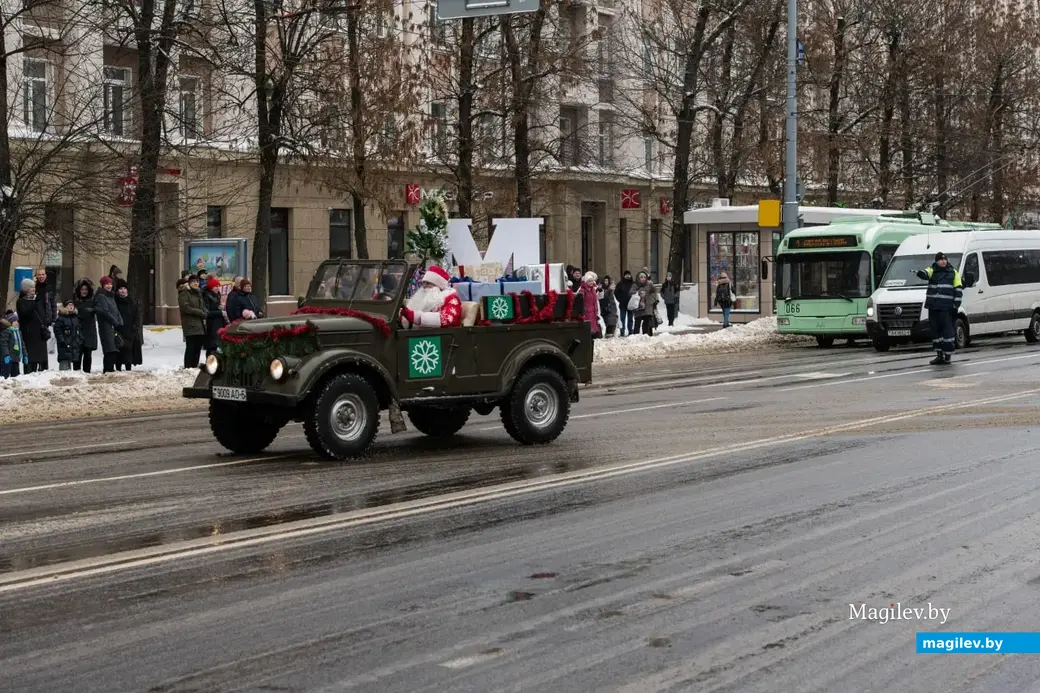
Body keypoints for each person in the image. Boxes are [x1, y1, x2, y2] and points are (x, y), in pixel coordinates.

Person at [915, 251, 963, 365]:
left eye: (944, 259)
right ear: (936, 261)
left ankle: (947, 356)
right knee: (936, 332)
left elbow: (958, 290)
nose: (943, 261)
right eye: (941, 260)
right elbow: (926, 273)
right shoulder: (932, 270)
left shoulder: (954, 273)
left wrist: (955, 306)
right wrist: (921, 273)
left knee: (947, 332)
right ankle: (939, 355)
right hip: (933, 307)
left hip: (946, 308)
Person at [16, 279, 48, 373]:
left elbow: (43, 315)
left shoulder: (37, 300)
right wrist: (34, 303)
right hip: (28, 333)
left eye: (34, 287)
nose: (34, 289)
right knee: (30, 359)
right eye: (31, 287)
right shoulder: (21, 301)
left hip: (39, 334)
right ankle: (29, 373)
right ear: (26, 289)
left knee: (41, 358)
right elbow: (25, 314)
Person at [93, 276, 123, 373]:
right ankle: (107, 370)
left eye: (110, 284)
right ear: (103, 285)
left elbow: (116, 311)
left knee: (114, 349)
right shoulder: (101, 296)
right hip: (106, 326)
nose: (109, 286)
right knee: (109, 350)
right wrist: (115, 322)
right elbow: (105, 312)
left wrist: (120, 322)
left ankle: (110, 369)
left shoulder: (111, 296)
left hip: (113, 326)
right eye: (107, 284)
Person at [178, 276, 207, 368]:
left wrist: (205, 312)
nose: (196, 283)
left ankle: (194, 366)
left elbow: (202, 306)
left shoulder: (198, 293)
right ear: (189, 283)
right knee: (191, 347)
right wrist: (199, 312)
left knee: (198, 348)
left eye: (197, 281)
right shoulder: (185, 293)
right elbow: (185, 307)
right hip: (190, 324)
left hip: (200, 324)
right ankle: (188, 367)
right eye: (193, 281)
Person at [114, 279, 140, 371]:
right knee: (119, 350)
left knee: (128, 351)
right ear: (117, 290)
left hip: (129, 330)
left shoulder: (131, 302)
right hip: (119, 330)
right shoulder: (115, 302)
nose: (123, 290)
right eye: (121, 289)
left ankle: (128, 369)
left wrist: (134, 326)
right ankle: (118, 368)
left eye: (124, 288)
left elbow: (136, 315)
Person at [73, 278, 98, 372]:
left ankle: (87, 372)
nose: (84, 291)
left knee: (88, 354)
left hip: (89, 331)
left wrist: (92, 310)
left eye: (86, 289)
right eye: (82, 289)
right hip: (78, 331)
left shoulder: (92, 302)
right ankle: (77, 373)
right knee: (77, 354)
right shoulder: (75, 302)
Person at [53, 300, 82, 371]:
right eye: (69, 305)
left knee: (71, 361)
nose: (71, 306)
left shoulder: (76, 318)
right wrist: (62, 340)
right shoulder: (61, 318)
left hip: (74, 344)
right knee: (64, 362)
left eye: (72, 305)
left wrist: (80, 339)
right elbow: (57, 331)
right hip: (64, 344)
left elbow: (79, 330)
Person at [203, 277, 227, 356]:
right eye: (215, 286)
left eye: (218, 286)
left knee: (216, 347)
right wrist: (220, 312)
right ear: (211, 287)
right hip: (211, 325)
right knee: (211, 348)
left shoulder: (217, 295)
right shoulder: (207, 296)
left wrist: (220, 307)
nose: (217, 288)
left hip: (217, 324)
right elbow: (207, 312)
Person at [0, 311, 25, 378]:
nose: (16, 323)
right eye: (14, 321)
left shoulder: (18, 332)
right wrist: (6, 355)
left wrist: (25, 355)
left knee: (16, 376)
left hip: (16, 358)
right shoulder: (6, 332)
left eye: (17, 321)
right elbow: (3, 344)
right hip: (8, 358)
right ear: (10, 323)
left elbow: (22, 345)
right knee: (5, 377)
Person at [634, 270, 658, 336]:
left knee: (647, 322)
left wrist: (652, 286)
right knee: (637, 321)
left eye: (644, 277)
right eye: (641, 277)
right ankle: (635, 336)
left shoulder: (649, 284)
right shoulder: (635, 285)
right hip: (639, 307)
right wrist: (639, 293)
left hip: (647, 306)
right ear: (638, 278)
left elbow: (654, 292)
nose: (643, 279)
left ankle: (646, 335)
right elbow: (631, 293)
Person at [579, 271, 601, 338]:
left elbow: (597, 299)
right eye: (589, 281)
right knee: (588, 328)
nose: (591, 282)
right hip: (586, 312)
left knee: (593, 328)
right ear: (586, 282)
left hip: (593, 312)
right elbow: (580, 301)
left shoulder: (593, 289)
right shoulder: (582, 290)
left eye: (592, 281)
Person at [614, 270, 635, 337]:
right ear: (624, 276)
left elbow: (636, 292)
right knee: (622, 318)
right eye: (626, 275)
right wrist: (620, 299)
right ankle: (622, 331)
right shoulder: (620, 283)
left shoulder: (633, 283)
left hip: (631, 304)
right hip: (623, 304)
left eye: (629, 274)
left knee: (630, 318)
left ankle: (630, 331)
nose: (628, 276)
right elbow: (616, 293)